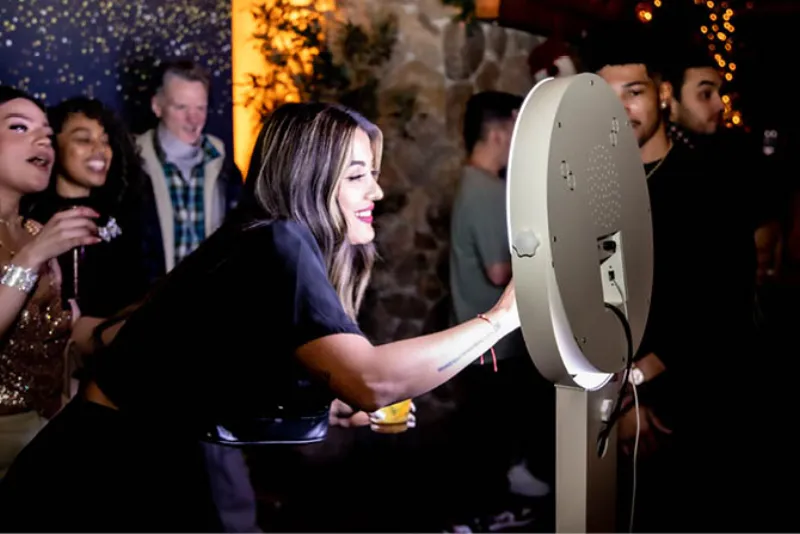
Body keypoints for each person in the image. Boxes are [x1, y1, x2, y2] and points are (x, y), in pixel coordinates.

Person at [0, 102, 520, 532]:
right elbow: (372, 379)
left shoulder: (256, 238)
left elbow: (211, 375)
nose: (376, 193)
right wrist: (504, 317)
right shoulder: (278, 241)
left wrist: (326, 407)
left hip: (121, 465)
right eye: (358, 176)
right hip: (99, 478)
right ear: (310, 178)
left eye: (374, 176)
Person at [0, 86, 101, 477]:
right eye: (21, 127)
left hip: (48, 439)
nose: (43, 138)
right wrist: (32, 256)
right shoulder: (39, 246)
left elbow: (65, 333)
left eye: (46, 131)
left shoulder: (38, 233)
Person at [23, 96, 155, 319]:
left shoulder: (126, 213)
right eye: (84, 140)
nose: (100, 150)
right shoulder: (28, 218)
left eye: (105, 141)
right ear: (53, 145)